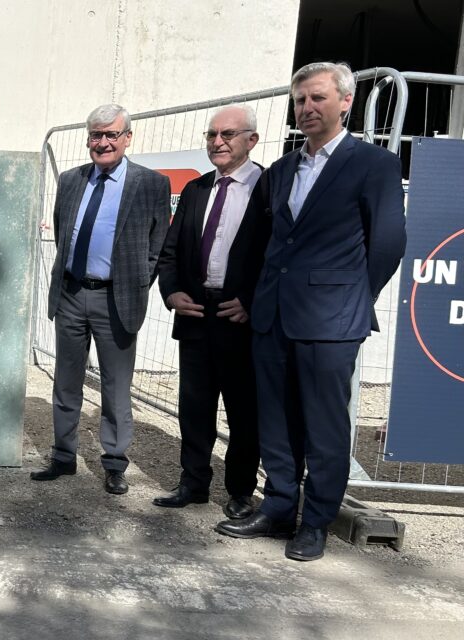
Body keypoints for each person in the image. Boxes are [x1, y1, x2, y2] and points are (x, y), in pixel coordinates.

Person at [215, 62, 407, 561]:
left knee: (324, 426)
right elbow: (266, 243)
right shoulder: (281, 170)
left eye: (318, 98)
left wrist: (352, 299)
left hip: (332, 320)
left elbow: (387, 243)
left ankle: (316, 521)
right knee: (274, 420)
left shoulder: (373, 164)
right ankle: (279, 506)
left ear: (346, 101)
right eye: (301, 100)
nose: (307, 108)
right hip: (273, 316)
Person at [32, 103, 171, 494]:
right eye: (97, 134)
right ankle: (63, 456)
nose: (104, 142)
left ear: (128, 138)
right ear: (88, 138)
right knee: (66, 380)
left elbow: (156, 248)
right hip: (74, 293)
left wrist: (132, 284)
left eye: (112, 134)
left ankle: (113, 462)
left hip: (116, 300)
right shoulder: (73, 180)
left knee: (114, 385)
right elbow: (64, 232)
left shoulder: (151, 185)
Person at [154, 105, 269, 519]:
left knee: (244, 411)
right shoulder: (196, 189)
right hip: (195, 314)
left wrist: (255, 301)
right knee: (195, 405)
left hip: (240, 318)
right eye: (211, 135)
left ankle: (240, 490)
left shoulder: (269, 189)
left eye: (228, 135)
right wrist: (172, 293)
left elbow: (279, 257)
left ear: (251, 140)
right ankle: (193, 483)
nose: (217, 142)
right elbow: (169, 253)